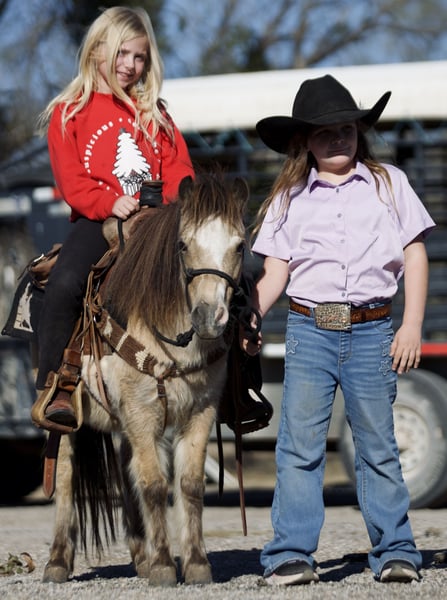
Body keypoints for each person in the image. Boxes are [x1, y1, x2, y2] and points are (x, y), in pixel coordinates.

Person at [241, 74, 435, 585]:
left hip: (373, 330)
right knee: (300, 446)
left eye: (346, 129)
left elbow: (414, 254)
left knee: (378, 445)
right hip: (310, 330)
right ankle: (291, 554)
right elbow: (275, 273)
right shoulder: (288, 198)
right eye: (324, 132)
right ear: (304, 140)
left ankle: (395, 550)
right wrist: (250, 318)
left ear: (359, 132)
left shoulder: (390, 183)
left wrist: (411, 324)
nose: (337, 139)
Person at [31, 6, 193, 432]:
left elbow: (179, 168)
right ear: (96, 50)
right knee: (66, 283)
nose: (130, 65)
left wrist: (176, 199)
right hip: (98, 219)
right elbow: (72, 182)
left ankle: (233, 382)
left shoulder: (154, 112)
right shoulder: (70, 112)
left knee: (222, 272)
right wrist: (109, 202)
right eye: (122, 53)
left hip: (159, 222)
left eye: (140, 57)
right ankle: (57, 384)